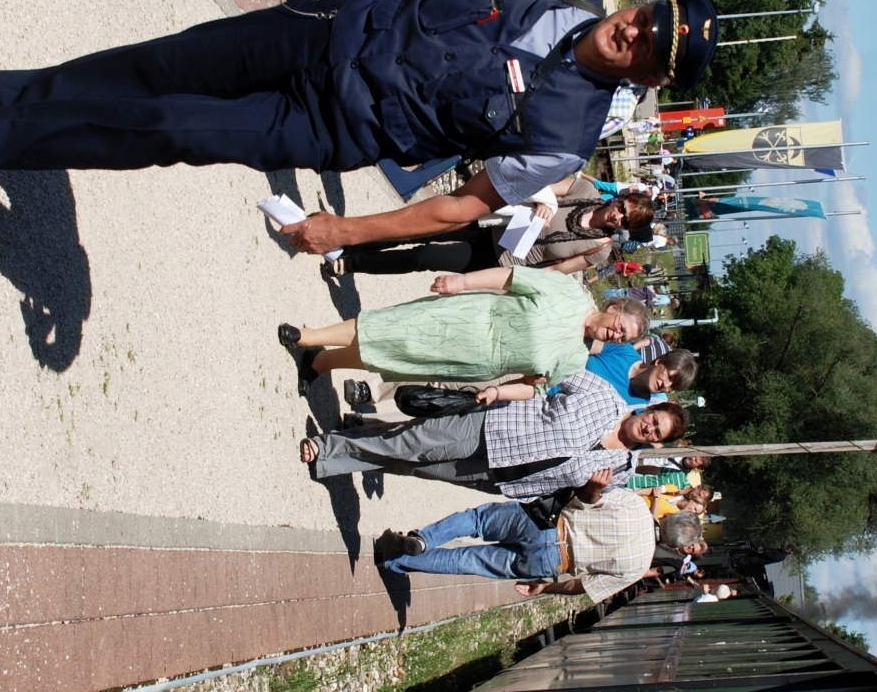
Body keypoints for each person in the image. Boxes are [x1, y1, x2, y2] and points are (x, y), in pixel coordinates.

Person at [0, 0, 718, 261]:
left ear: (651, 78)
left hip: (329, 124)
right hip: (325, 31)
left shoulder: (566, 138)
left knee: (169, 125)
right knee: (157, 64)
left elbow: (460, 208)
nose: (635, 32)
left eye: (652, 47)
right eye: (648, 17)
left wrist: (347, 231)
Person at [300, 370, 689, 501]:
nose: (650, 427)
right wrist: (506, 386)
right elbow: (558, 367)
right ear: (649, 409)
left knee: (411, 464)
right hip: (495, 429)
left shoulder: (622, 468)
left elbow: (583, 501)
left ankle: (353, 438)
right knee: (412, 444)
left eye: (657, 433)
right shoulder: (604, 396)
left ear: (656, 442)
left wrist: (593, 490)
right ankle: (326, 448)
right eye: (655, 419)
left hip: (502, 478)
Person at [278, 267, 647, 393]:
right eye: (620, 327)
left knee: (393, 356)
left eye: (623, 338)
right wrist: (462, 282)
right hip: (468, 318)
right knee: (390, 328)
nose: (617, 336)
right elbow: (512, 277)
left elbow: (534, 386)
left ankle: (322, 363)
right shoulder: (568, 291)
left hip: (470, 360)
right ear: (613, 309)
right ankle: (310, 336)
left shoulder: (577, 357)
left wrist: (509, 388)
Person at [378, 478, 703, 603]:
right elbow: (581, 587)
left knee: (477, 520)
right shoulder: (637, 567)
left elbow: (588, 496)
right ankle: (396, 561)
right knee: (468, 561)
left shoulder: (633, 504)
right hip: (551, 563)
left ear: (670, 516)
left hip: (545, 524)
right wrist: (544, 588)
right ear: (675, 546)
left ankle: (424, 538)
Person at [326, 182, 654, 277]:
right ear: (620, 199)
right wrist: (546, 202)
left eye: (626, 222)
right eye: (623, 209)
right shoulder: (585, 190)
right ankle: (351, 243)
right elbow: (540, 185)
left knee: (423, 257)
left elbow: (556, 271)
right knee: (420, 230)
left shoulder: (599, 250)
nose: (618, 217)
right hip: (493, 221)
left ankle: (353, 264)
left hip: (499, 258)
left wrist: (504, 282)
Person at [579, 345, 697, 407]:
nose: (666, 386)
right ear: (659, 361)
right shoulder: (623, 350)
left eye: (672, 387)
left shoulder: (638, 407)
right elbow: (579, 346)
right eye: (670, 377)